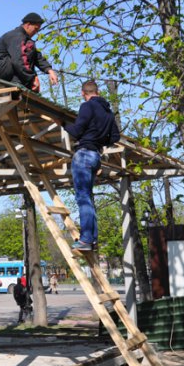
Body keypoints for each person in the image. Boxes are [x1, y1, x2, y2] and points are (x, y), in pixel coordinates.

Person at [64, 80, 121, 251]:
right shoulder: (108, 113)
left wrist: (62, 123)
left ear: (83, 93)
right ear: (98, 91)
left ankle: (86, 239)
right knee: (87, 197)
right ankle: (92, 240)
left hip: (84, 154)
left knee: (83, 198)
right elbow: (115, 137)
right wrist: (101, 140)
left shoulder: (87, 106)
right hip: (96, 156)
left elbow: (77, 131)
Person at [0, 12, 59, 93]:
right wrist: (32, 78)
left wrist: (49, 70)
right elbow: (19, 59)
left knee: (30, 51)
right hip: (3, 73)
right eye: (35, 29)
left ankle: (25, 84)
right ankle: (19, 83)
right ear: (28, 25)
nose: (36, 32)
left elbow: (37, 57)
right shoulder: (16, 36)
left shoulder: (27, 41)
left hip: (14, 72)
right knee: (23, 58)